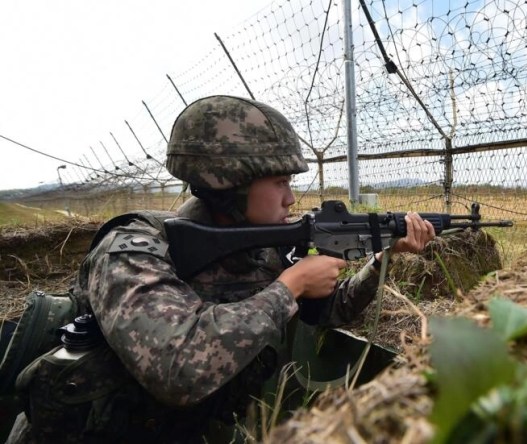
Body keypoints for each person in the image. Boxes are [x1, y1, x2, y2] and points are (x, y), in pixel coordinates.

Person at [6, 95, 435, 443]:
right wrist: (288, 288)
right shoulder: (133, 249)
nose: (290, 198)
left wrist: (383, 258)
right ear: (231, 183)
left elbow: (331, 313)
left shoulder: (261, 247)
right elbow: (176, 369)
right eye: (280, 182)